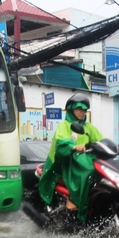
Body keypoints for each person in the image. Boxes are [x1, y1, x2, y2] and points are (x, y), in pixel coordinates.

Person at [38, 93, 104, 222]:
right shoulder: (64, 125)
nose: (82, 112)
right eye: (79, 109)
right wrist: (74, 146)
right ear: (71, 109)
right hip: (66, 164)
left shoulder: (88, 127)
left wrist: (115, 147)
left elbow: (100, 140)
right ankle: (75, 201)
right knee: (88, 172)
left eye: (84, 110)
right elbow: (61, 142)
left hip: (82, 161)